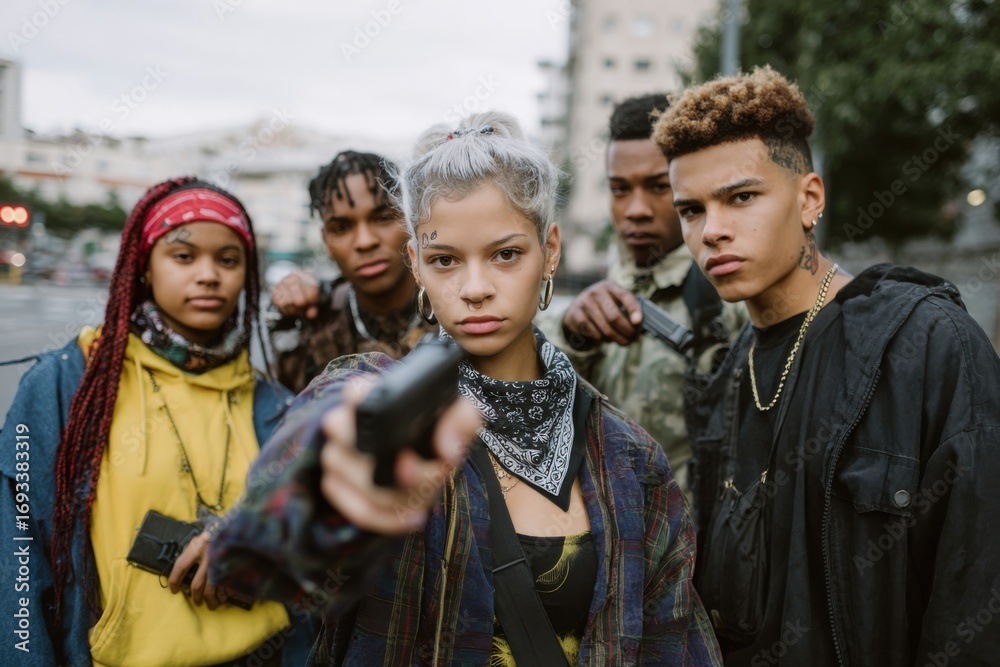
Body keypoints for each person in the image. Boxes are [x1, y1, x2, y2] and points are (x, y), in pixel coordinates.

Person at [209, 112, 722, 665]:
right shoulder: (368, 393)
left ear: (550, 251)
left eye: (506, 254)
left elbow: (673, 642)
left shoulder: (628, 456)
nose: (475, 289)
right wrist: (320, 486)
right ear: (416, 263)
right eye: (445, 260)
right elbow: (253, 555)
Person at [652, 66, 1000, 664]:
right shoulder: (730, 373)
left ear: (809, 198)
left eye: (741, 197)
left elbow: (975, 600)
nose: (713, 231)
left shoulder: (929, 343)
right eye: (691, 210)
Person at [0, 178, 312, 666]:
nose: (208, 275)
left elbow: (321, 552)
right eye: (183, 257)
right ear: (144, 265)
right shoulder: (70, 385)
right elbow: (19, 555)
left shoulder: (274, 404)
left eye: (228, 260)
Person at [538, 94, 745, 493]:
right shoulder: (605, 288)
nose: (635, 209)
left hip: (695, 542)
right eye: (619, 189)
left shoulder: (729, 290)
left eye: (657, 187)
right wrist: (571, 330)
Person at [268, 150, 435, 393]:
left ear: (411, 219)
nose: (365, 241)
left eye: (383, 217)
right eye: (342, 227)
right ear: (326, 240)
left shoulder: (456, 307)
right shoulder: (312, 332)